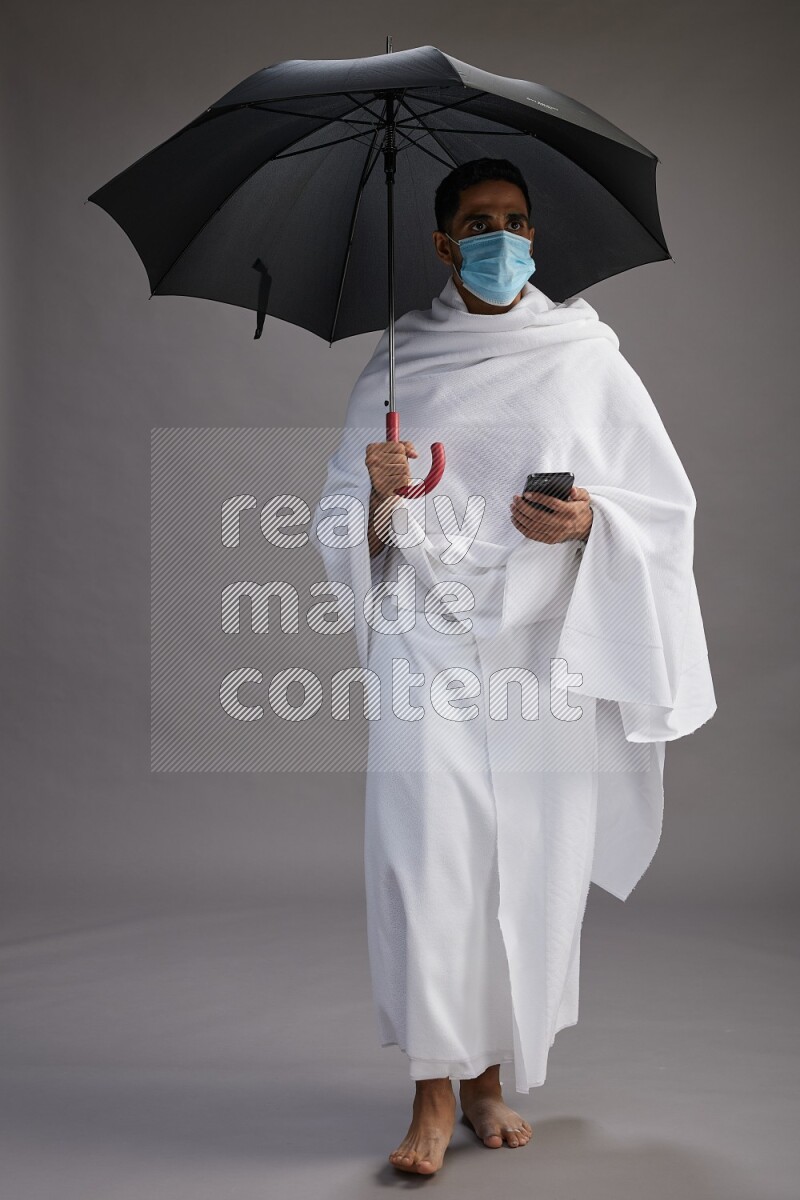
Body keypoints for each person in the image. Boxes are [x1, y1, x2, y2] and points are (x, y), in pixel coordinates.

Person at [309, 157, 716, 1175]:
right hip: (425, 641)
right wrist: (373, 491)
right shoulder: (400, 362)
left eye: (516, 221)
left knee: (520, 861)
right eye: (479, 222)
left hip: (540, 647)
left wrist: (587, 520)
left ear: (534, 237)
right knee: (427, 859)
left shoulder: (582, 355)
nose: (502, 236)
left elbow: (659, 511)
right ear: (443, 243)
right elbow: (336, 530)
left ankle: (490, 1081)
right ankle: (432, 1095)